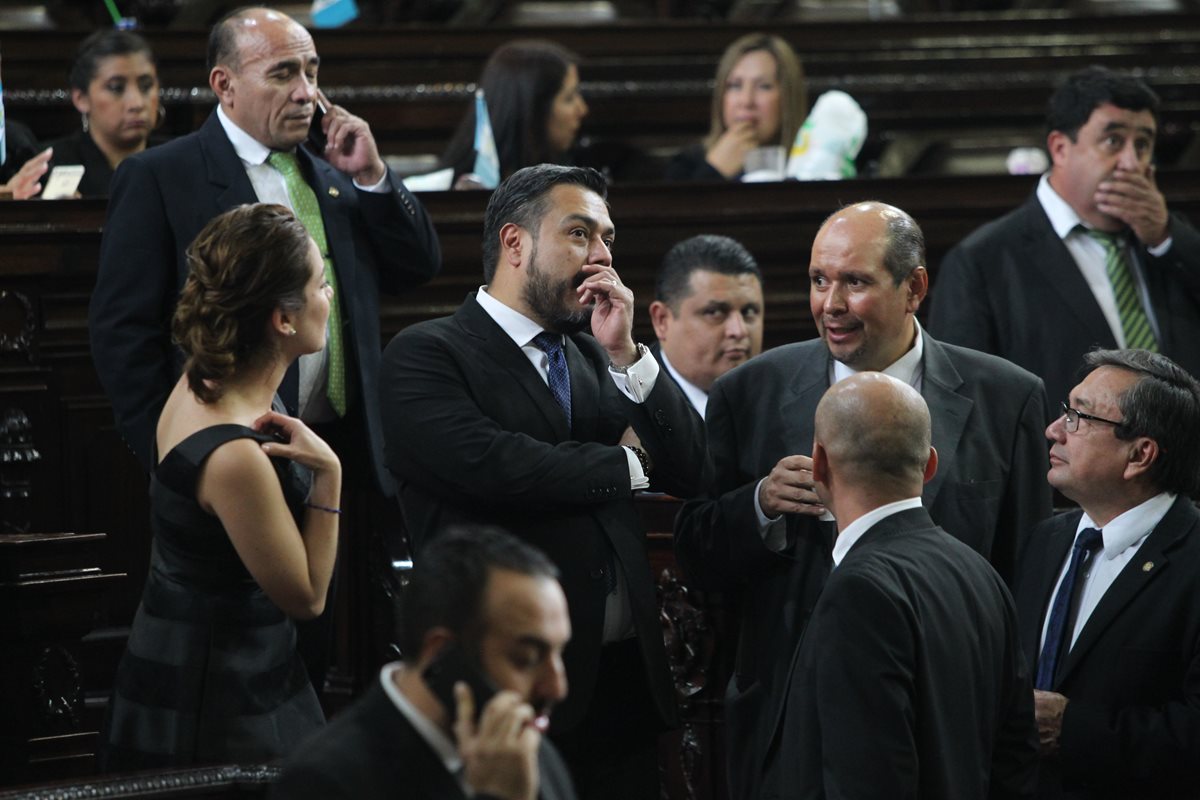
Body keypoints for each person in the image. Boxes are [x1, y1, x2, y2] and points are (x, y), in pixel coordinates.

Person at [87, 4, 440, 693]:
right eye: (283, 74)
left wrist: (373, 177)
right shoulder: (163, 174)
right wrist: (180, 460)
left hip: (341, 447)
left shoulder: (333, 169)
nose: (307, 92)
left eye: (312, 71)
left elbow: (416, 268)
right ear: (224, 85)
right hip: (228, 460)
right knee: (236, 660)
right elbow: (121, 334)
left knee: (325, 663)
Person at [674, 201, 1052, 800]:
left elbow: (1028, 572)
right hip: (783, 729)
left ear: (914, 288)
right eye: (819, 280)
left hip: (952, 723)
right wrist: (761, 505)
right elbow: (695, 552)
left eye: (855, 281)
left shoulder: (1007, 398)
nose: (831, 303)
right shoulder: (749, 391)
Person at [379, 164, 707, 800]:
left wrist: (627, 355)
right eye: (579, 234)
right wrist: (627, 467)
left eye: (607, 238)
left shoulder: (591, 351)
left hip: (621, 682)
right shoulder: (427, 353)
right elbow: (495, 467)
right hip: (503, 683)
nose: (601, 256)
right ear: (514, 243)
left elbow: (693, 469)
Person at [100, 203, 337, 769]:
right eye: (320, 284)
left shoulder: (198, 378)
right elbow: (307, 596)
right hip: (220, 697)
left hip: (187, 655)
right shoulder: (234, 457)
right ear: (283, 320)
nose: (329, 295)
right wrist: (330, 475)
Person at [760, 372, 1037, 799]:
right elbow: (1016, 755)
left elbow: (866, 781)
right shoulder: (979, 573)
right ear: (930, 465)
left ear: (819, 463)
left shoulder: (858, 593)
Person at [930, 66, 1200, 414]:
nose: (1132, 163)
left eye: (1143, 144)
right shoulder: (981, 261)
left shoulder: (1168, 242)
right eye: (1113, 141)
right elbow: (964, 403)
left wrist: (1165, 236)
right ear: (1060, 148)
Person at [1012, 349, 1200, 799]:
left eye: (1079, 417)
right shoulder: (1045, 540)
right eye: (1066, 410)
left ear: (1140, 454)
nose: (1054, 430)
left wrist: (1072, 729)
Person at [272, 525, 578, 800]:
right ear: (442, 655)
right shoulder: (324, 780)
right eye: (526, 659)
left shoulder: (528, 752)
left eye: (559, 654)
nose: (557, 688)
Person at [1, 30, 161, 199]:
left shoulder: (176, 160)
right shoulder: (47, 167)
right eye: (116, 88)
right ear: (81, 99)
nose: (136, 104)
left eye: (146, 86)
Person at [440, 40, 588, 188]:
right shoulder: (462, 189)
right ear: (534, 110)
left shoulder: (575, 180)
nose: (583, 110)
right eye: (569, 98)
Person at [648, 234, 765, 416]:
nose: (739, 331)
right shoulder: (627, 409)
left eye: (748, 312)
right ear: (662, 320)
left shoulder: (782, 396)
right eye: (715, 313)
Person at [665, 33, 805, 182]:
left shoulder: (810, 165)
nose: (746, 101)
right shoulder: (686, 167)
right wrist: (713, 171)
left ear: (788, 97)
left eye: (764, 86)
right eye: (735, 86)